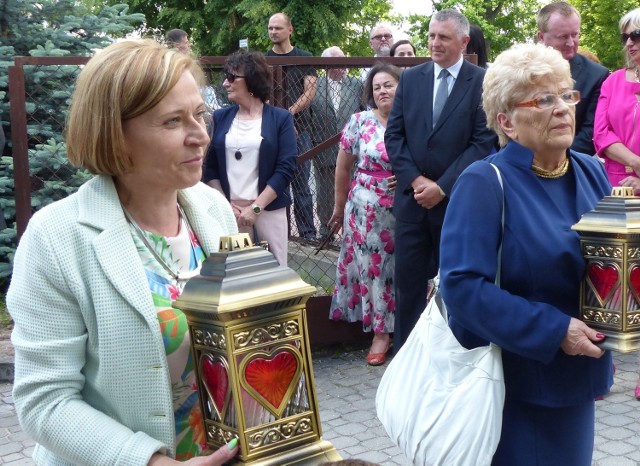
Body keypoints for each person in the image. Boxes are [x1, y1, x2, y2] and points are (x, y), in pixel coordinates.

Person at [6, 39, 240, 465]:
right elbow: (45, 402)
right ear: (115, 133)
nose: (201, 135)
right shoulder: (56, 238)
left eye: (199, 114)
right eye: (173, 121)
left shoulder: (213, 211)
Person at [440, 43, 613, 465]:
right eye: (543, 99)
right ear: (507, 122)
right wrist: (556, 331)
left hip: (578, 381)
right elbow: (461, 290)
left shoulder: (590, 169)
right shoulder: (484, 182)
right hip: (517, 388)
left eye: (566, 95)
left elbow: (612, 261)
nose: (562, 109)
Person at [385, 8, 497, 351]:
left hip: (457, 205)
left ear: (463, 41)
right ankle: (407, 357)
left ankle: (455, 354)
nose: (435, 43)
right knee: (408, 287)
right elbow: (395, 136)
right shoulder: (412, 78)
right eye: (432, 35)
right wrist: (417, 181)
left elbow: (482, 143)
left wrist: (443, 186)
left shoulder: (481, 82)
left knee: (457, 285)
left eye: (443, 37)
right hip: (411, 204)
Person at [329, 63, 400, 366]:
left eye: (389, 85)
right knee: (376, 271)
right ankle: (380, 334)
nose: (382, 91)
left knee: (405, 269)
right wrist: (338, 207)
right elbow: (343, 167)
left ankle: (410, 329)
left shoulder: (415, 120)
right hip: (365, 211)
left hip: (405, 208)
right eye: (377, 87)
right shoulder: (359, 121)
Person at [204, 51, 297, 266]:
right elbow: (210, 167)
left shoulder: (280, 118)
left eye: (232, 77)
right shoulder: (220, 117)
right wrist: (226, 205)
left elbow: (286, 167)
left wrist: (256, 208)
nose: (226, 83)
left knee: (273, 274)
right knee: (233, 273)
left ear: (252, 81)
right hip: (229, 213)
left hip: (268, 211)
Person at [593, 7, 640, 400]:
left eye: (638, 35)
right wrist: (635, 164)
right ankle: (598, 369)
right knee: (607, 280)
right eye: (627, 36)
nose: (630, 43)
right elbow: (601, 132)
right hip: (614, 188)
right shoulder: (611, 81)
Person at [266, 12, 318, 240]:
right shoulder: (262, 60)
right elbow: (258, 93)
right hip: (269, 131)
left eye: (278, 28)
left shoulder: (305, 58)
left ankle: (307, 234)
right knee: (273, 181)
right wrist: (279, 119)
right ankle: (279, 233)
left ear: (290, 30)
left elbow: (310, 92)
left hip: (301, 129)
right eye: (270, 28)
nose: (273, 32)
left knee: (301, 184)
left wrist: (288, 115)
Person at [537, 1, 609, 156]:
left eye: (575, 35)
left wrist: (553, 160)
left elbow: (591, 132)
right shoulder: (519, 71)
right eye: (562, 37)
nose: (570, 43)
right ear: (541, 37)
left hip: (569, 160)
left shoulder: (596, 75)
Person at [311, 46, 364, 242]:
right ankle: (326, 232)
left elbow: (363, 111)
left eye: (344, 61)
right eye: (336, 62)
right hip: (322, 148)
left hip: (352, 152)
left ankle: (352, 230)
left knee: (353, 191)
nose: (342, 66)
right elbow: (308, 117)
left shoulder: (356, 85)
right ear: (326, 65)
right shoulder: (315, 86)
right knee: (324, 193)